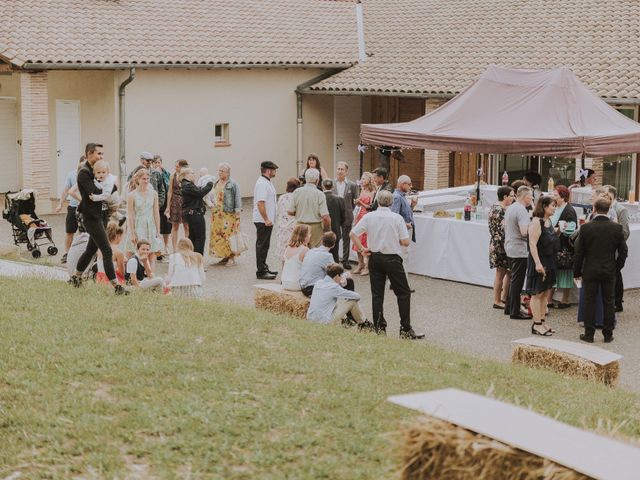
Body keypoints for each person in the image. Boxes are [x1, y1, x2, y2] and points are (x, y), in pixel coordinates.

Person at [350, 190, 424, 339]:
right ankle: (405, 328)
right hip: (392, 258)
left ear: (377, 201)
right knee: (403, 293)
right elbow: (405, 242)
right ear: (391, 203)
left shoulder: (369, 216)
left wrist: (362, 249)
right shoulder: (396, 218)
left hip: (375, 257)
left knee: (377, 294)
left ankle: (379, 327)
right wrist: (394, 239)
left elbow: (352, 233)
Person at [70, 143, 126, 294]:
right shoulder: (84, 173)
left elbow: (109, 190)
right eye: (98, 154)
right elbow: (93, 192)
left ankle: (75, 277)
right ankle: (117, 287)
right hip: (91, 217)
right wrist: (109, 185)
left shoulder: (96, 171)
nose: (101, 156)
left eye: (102, 154)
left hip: (101, 216)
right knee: (107, 251)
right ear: (89, 154)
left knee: (90, 250)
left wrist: (109, 186)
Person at [574, 196, 628, 343]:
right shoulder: (616, 228)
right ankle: (608, 334)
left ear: (594, 209)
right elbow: (623, 252)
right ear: (609, 209)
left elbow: (579, 253)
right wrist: (616, 268)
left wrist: (577, 272)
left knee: (589, 301)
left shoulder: (586, 227)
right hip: (609, 269)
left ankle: (589, 333)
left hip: (590, 269)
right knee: (609, 301)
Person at [525, 196, 559, 336]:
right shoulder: (536, 222)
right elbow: (532, 244)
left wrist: (558, 231)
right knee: (537, 293)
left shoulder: (548, 221)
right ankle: (536, 324)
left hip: (550, 260)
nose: (554, 208)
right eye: (552, 205)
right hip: (540, 261)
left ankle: (543, 322)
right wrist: (538, 263)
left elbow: (548, 238)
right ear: (544, 207)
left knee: (545, 293)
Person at [307, 263, 373, 330]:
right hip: (324, 322)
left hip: (310, 318)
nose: (341, 278)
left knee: (336, 303)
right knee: (352, 301)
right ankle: (363, 323)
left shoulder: (318, 283)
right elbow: (357, 296)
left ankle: (348, 320)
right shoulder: (334, 287)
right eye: (341, 276)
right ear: (336, 276)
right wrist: (343, 284)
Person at [503, 186, 534, 319]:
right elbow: (524, 232)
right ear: (524, 196)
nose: (532, 198)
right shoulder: (521, 211)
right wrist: (534, 231)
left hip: (509, 246)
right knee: (517, 281)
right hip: (519, 249)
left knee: (513, 278)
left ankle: (509, 308)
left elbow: (504, 225)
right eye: (530, 196)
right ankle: (515, 311)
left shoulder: (511, 207)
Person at [124, 168, 164, 268]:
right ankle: (129, 274)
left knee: (151, 252)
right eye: (143, 179)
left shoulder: (153, 193)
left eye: (147, 178)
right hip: (138, 224)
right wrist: (132, 232)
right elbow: (130, 215)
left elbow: (156, 213)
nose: (146, 181)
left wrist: (158, 232)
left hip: (150, 225)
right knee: (132, 250)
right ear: (138, 179)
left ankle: (151, 276)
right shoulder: (131, 195)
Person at [548, 185, 578, 309]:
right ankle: (549, 299)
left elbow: (572, 229)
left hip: (564, 246)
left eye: (556, 195)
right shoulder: (556, 207)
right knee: (553, 271)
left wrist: (560, 230)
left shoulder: (569, 210)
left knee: (565, 272)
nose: (554, 197)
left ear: (563, 197)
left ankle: (565, 300)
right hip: (555, 244)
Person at [208, 163, 242, 266]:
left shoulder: (232, 183)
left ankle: (232, 257)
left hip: (228, 214)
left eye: (222, 171)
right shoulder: (216, 182)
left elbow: (237, 197)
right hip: (217, 214)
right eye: (219, 170)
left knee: (230, 235)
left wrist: (237, 211)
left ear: (227, 173)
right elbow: (211, 195)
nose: (219, 173)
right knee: (219, 235)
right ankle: (224, 255)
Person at [289, 168, 330, 248]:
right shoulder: (320, 194)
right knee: (314, 253)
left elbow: (290, 211)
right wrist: (327, 230)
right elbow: (325, 217)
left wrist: (300, 212)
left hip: (300, 226)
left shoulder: (297, 192)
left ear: (305, 179)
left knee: (299, 251)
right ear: (317, 180)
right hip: (315, 229)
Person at [488, 186, 514, 309]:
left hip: (495, 243)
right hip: (501, 245)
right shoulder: (501, 211)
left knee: (505, 272)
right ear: (505, 197)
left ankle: (502, 298)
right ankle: (497, 300)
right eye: (512, 196)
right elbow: (503, 229)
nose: (513, 198)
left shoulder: (494, 207)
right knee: (500, 273)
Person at [55, 155, 85, 264]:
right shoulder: (72, 175)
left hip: (85, 209)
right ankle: (67, 253)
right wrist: (60, 204)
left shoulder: (91, 175)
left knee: (83, 234)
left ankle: (81, 254)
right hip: (73, 207)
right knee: (69, 232)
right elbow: (66, 190)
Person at [605, 185, 630, 312]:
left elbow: (625, 232)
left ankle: (618, 302)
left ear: (611, 196)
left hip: (616, 248)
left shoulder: (621, 210)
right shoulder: (603, 207)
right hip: (605, 248)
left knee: (616, 274)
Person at [253, 161, 279, 280]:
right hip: (263, 220)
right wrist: (266, 219)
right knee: (262, 245)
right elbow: (260, 203)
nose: (275, 172)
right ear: (268, 170)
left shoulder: (266, 182)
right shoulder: (262, 184)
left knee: (265, 245)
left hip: (267, 220)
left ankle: (264, 267)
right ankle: (261, 271)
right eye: (274, 170)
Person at [180, 167, 214, 256]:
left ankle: (193, 259)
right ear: (187, 175)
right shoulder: (187, 185)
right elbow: (200, 192)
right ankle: (198, 261)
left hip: (192, 214)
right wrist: (210, 184)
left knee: (193, 236)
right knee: (200, 237)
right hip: (195, 214)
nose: (194, 175)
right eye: (192, 173)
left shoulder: (187, 184)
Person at [391, 175, 417, 290]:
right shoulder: (397, 197)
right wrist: (405, 224)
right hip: (401, 233)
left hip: (404, 231)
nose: (411, 186)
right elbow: (394, 216)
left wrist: (412, 206)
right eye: (409, 184)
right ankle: (404, 285)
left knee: (400, 257)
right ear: (402, 184)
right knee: (404, 257)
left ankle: (394, 282)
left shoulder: (402, 196)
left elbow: (405, 213)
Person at [332, 161, 359, 269]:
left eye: (342, 169)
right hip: (335, 215)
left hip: (347, 215)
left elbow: (354, 201)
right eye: (338, 169)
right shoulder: (332, 183)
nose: (339, 171)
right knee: (335, 237)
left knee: (346, 238)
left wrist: (348, 210)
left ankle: (345, 260)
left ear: (346, 171)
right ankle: (334, 259)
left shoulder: (352, 185)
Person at [299, 232, 342, 297]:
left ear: (321, 241)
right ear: (333, 245)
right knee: (335, 277)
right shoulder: (327, 256)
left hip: (302, 286)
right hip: (313, 288)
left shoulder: (311, 251)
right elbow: (336, 271)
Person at [352, 171, 375, 275]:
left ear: (369, 180)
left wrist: (360, 202)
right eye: (361, 179)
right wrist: (357, 202)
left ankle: (367, 266)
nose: (362, 180)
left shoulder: (373, 191)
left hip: (367, 216)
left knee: (366, 241)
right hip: (359, 215)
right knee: (357, 239)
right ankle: (360, 263)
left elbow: (370, 207)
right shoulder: (362, 190)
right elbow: (360, 204)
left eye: (364, 179)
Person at [165, 159, 190, 253]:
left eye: (177, 166)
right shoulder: (173, 175)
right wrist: (168, 206)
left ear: (183, 167)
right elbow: (170, 191)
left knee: (186, 226)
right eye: (175, 166)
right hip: (175, 202)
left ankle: (186, 248)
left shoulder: (188, 175)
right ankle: (175, 249)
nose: (176, 168)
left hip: (186, 201)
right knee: (175, 226)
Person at [275, 177, 301, 263]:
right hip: (293, 228)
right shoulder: (297, 198)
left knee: (284, 254)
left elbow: (278, 211)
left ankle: (283, 274)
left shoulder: (281, 197)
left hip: (282, 228)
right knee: (293, 253)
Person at [281, 224, 311, 291]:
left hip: (284, 282)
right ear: (304, 236)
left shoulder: (288, 247)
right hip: (296, 284)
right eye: (309, 234)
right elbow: (309, 270)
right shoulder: (305, 249)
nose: (310, 236)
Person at [153, 155, 172, 258]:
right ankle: (158, 247)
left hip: (165, 204)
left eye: (158, 162)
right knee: (157, 226)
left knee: (167, 226)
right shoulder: (152, 174)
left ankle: (165, 245)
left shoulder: (167, 174)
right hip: (156, 204)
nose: (157, 164)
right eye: (155, 163)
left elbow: (169, 187)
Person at [96, 221, 126, 285]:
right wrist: (123, 262)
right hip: (111, 281)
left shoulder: (100, 248)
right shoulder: (118, 252)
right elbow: (122, 274)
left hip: (99, 280)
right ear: (118, 236)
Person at [322, 179, 345, 262]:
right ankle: (335, 272)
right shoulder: (340, 199)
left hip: (322, 230)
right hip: (336, 230)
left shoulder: (320, 197)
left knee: (323, 254)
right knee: (335, 255)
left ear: (322, 186)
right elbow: (343, 217)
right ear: (332, 186)